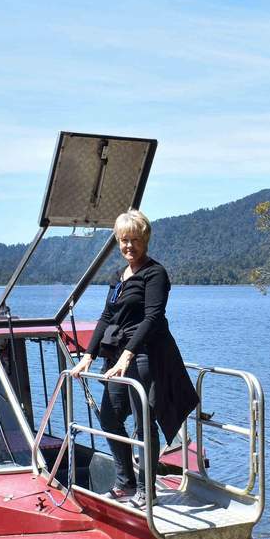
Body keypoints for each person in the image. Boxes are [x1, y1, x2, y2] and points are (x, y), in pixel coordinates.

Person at [68, 210, 198, 506]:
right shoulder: (118, 276)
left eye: (134, 240)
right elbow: (106, 316)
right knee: (110, 418)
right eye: (124, 240)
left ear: (145, 239)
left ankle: (145, 489)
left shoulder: (155, 274)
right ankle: (124, 481)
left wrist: (128, 354)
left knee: (143, 425)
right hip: (117, 357)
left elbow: (152, 317)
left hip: (145, 356)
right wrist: (88, 356)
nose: (129, 246)